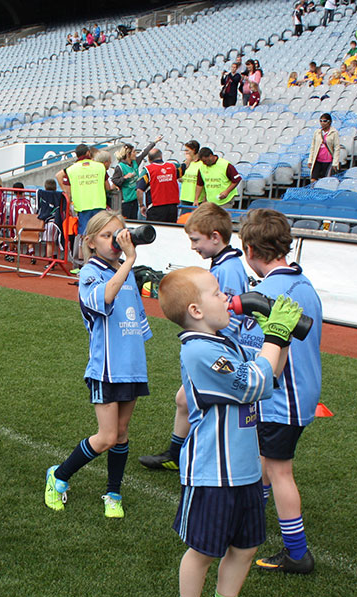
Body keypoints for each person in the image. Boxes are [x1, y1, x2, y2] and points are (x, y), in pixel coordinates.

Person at [157, 266, 304, 597]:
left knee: (246, 545)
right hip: (212, 472)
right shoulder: (200, 350)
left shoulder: (226, 342)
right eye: (216, 292)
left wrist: (281, 338)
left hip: (245, 471)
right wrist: (272, 334)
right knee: (204, 548)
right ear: (196, 310)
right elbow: (253, 384)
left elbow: (270, 374)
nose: (227, 297)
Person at [221, 209, 325, 575]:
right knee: (266, 465)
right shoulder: (303, 281)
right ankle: (248, 522)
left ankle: (297, 553)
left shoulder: (265, 293)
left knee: (279, 470)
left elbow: (257, 353)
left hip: (283, 397)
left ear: (248, 249)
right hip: (304, 389)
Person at [44, 211, 151, 519]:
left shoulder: (125, 270)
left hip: (131, 364)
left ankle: (113, 493)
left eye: (120, 234)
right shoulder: (90, 272)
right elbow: (103, 297)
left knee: (121, 433)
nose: (116, 241)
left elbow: (137, 317)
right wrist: (129, 261)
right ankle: (59, 476)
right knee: (105, 437)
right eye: (107, 236)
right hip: (106, 366)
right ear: (90, 242)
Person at [140, 203, 250, 472]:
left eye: (195, 240)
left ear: (215, 237)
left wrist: (210, 339)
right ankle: (177, 453)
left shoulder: (228, 269)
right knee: (184, 399)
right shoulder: (224, 264)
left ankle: (195, 457)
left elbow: (231, 317)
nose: (192, 246)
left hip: (221, 352)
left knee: (206, 407)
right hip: (218, 348)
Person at [56, 144, 113, 257]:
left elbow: (58, 176)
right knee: (100, 233)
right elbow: (108, 187)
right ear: (88, 153)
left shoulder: (72, 169)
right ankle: (99, 258)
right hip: (99, 204)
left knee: (84, 234)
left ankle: (83, 260)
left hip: (82, 206)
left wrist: (68, 193)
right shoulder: (100, 167)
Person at [137, 147, 180, 223]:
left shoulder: (148, 170)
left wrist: (141, 205)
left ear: (149, 159)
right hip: (172, 207)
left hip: (156, 208)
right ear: (161, 156)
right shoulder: (173, 167)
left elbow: (139, 190)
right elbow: (183, 168)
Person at [308, 113, 341, 181]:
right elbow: (313, 147)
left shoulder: (334, 133)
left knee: (324, 180)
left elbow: (337, 148)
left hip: (328, 160)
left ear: (329, 122)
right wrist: (310, 160)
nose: (322, 123)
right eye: (321, 121)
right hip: (317, 159)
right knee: (313, 179)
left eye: (325, 121)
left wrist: (335, 163)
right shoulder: (317, 132)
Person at [179, 140, 203, 209]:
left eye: (187, 150)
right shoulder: (185, 163)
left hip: (197, 199)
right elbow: (180, 177)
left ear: (194, 150)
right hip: (185, 197)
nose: (185, 153)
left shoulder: (201, 163)